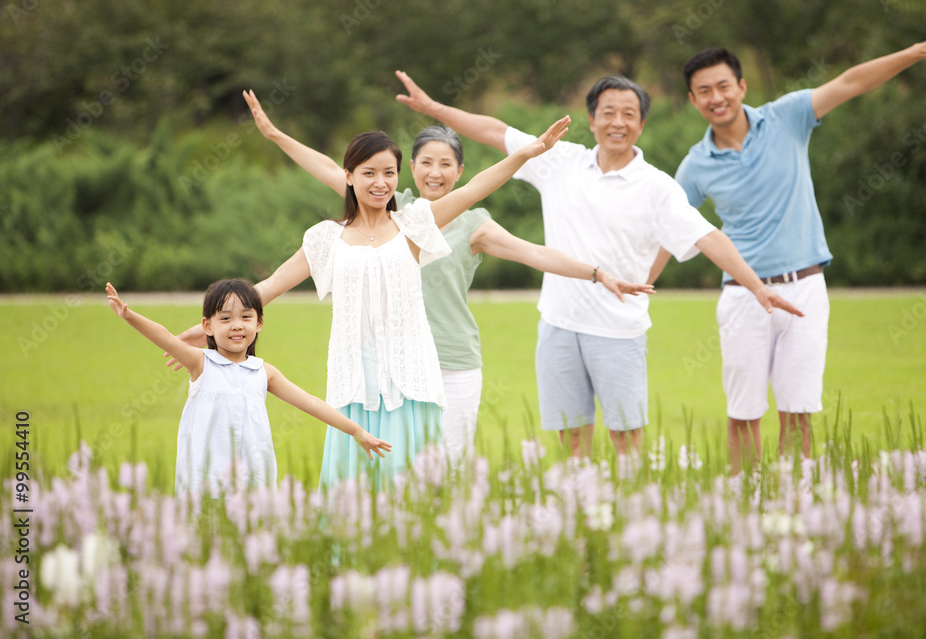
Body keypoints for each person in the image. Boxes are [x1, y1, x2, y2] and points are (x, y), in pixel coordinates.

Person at [393, 70, 804, 459]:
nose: (618, 122)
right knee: (572, 442)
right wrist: (434, 110)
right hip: (557, 327)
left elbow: (708, 236)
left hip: (618, 331)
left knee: (627, 441)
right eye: (608, 112)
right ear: (591, 120)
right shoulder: (560, 161)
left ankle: (629, 520)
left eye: (629, 114)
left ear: (642, 124)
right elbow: (495, 131)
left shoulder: (657, 186)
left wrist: (756, 285)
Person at [241, 89, 654, 465]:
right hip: (388, 361)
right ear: (412, 169)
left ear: (459, 171)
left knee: (447, 465)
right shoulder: (396, 210)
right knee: (389, 464)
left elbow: (535, 252)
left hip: (451, 359)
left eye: (446, 164)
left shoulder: (467, 223)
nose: (435, 172)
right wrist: (276, 135)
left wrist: (597, 273)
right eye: (425, 163)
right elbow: (332, 168)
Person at [177, 116, 571, 487]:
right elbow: (270, 286)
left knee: (414, 484)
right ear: (348, 177)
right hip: (354, 384)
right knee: (356, 486)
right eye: (369, 173)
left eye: (389, 173)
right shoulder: (325, 237)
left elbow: (474, 189)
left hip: (411, 380)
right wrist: (208, 325)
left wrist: (525, 153)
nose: (381, 183)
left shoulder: (413, 224)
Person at [675, 20, 926, 475]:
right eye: (704, 92)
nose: (717, 98)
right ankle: (741, 510)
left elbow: (850, 81)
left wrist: (913, 52)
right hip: (742, 296)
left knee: (798, 410)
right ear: (693, 101)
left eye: (723, 86)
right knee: (744, 414)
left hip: (805, 289)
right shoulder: (695, 166)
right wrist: (636, 280)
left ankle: (796, 506)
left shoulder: (786, 116)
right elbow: (671, 223)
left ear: (741, 86)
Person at [106, 279, 390, 497]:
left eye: (245, 317)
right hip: (205, 476)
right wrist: (129, 316)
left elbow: (311, 403)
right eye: (225, 318)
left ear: (259, 322)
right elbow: (166, 337)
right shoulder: (201, 363)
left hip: (253, 476)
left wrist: (356, 431)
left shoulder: (263, 372)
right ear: (207, 326)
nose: (236, 326)